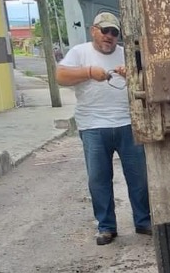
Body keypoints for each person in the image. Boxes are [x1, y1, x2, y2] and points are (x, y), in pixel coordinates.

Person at [56, 12, 151, 245]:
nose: (109, 36)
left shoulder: (126, 54)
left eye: (114, 32)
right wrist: (89, 72)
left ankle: (144, 220)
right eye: (104, 31)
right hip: (93, 126)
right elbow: (60, 76)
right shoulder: (79, 53)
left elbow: (148, 79)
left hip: (128, 124)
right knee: (99, 179)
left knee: (138, 177)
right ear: (93, 30)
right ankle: (106, 226)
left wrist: (134, 75)